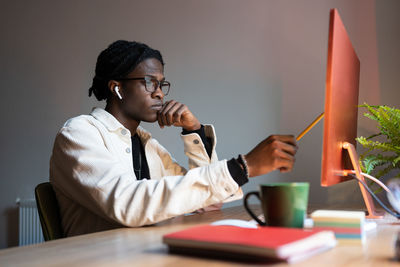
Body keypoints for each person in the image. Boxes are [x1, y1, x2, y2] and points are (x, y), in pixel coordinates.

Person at [50, 40, 298, 237]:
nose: (159, 93)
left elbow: (209, 202)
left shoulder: (148, 145)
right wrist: (243, 167)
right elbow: (128, 205)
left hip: (143, 254)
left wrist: (194, 131)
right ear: (117, 88)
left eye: (161, 84)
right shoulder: (79, 133)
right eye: (149, 82)